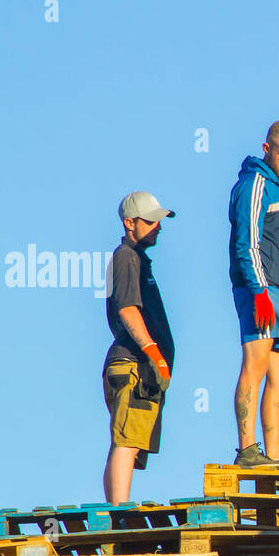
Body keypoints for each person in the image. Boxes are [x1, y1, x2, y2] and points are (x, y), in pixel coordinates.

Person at [229, 119, 279, 468]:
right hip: (257, 289)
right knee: (255, 364)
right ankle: (247, 450)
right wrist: (259, 291)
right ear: (267, 149)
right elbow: (247, 242)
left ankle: (274, 456)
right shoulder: (254, 183)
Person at [102, 191, 176, 502]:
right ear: (129, 223)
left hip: (135, 365)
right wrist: (154, 353)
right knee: (127, 442)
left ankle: (117, 512)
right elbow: (127, 309)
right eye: (151, 220)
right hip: (133, 364)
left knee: (127, 442)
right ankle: (119, 515)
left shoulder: (136, 258)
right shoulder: (127, 256)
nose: (158, 225)